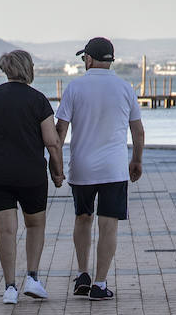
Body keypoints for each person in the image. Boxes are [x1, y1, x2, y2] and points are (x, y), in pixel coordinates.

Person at [55, 36, 144, 301]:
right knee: (109, 226)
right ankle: (100, 284)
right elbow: (137, 131)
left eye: (84, 58)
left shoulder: (74, 87)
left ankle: (83, 273)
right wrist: (137, 160)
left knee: (83, 218)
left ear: (89, 59)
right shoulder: (125, 88)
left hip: (82, 168)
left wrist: (56, 164)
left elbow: (60, 129)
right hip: (114, 170)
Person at [0, 49, 65, 304]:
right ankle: (33, 279)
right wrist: (57, 172)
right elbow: (52, 142)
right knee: (35, 224)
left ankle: (10, 288)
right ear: (28, 69)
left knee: (6, 230)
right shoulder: (38, 100)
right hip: (30, 174)